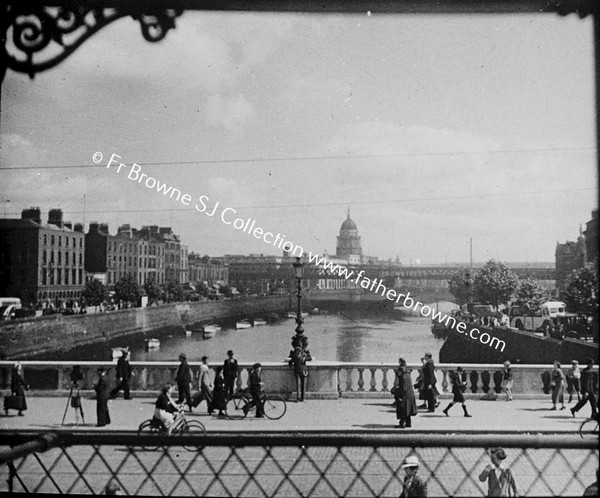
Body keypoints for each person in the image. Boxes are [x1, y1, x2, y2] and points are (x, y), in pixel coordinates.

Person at [394, 357, 417, 428]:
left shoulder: (403, 377)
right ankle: (408, 423)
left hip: (405, 395)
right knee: (408, 409)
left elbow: (404, 388)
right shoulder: (407, 374)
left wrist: (398, 393)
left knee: (403, 408)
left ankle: (402, 424)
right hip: (410, 395)